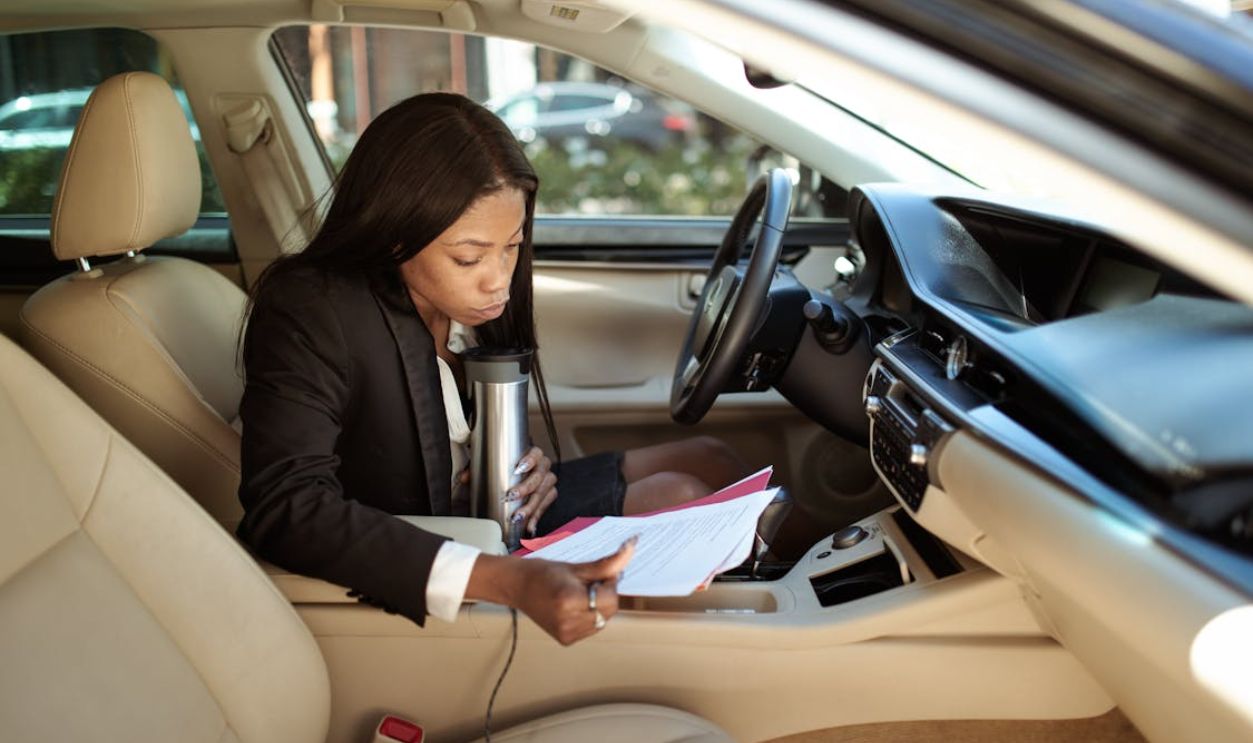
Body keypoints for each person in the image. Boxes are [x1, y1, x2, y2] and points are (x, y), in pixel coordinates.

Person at [237, 92, 748, 645]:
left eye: (513, 247)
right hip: (441, 545)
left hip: (497, 512)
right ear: (393, 233)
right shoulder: (313, 307)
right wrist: (508, 579)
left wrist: (533, 469)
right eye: (469, 257)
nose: (499, 279)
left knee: (711, 458)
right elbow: (286, 508)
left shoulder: (463, 309)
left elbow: (459, 437)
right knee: (679, 492)